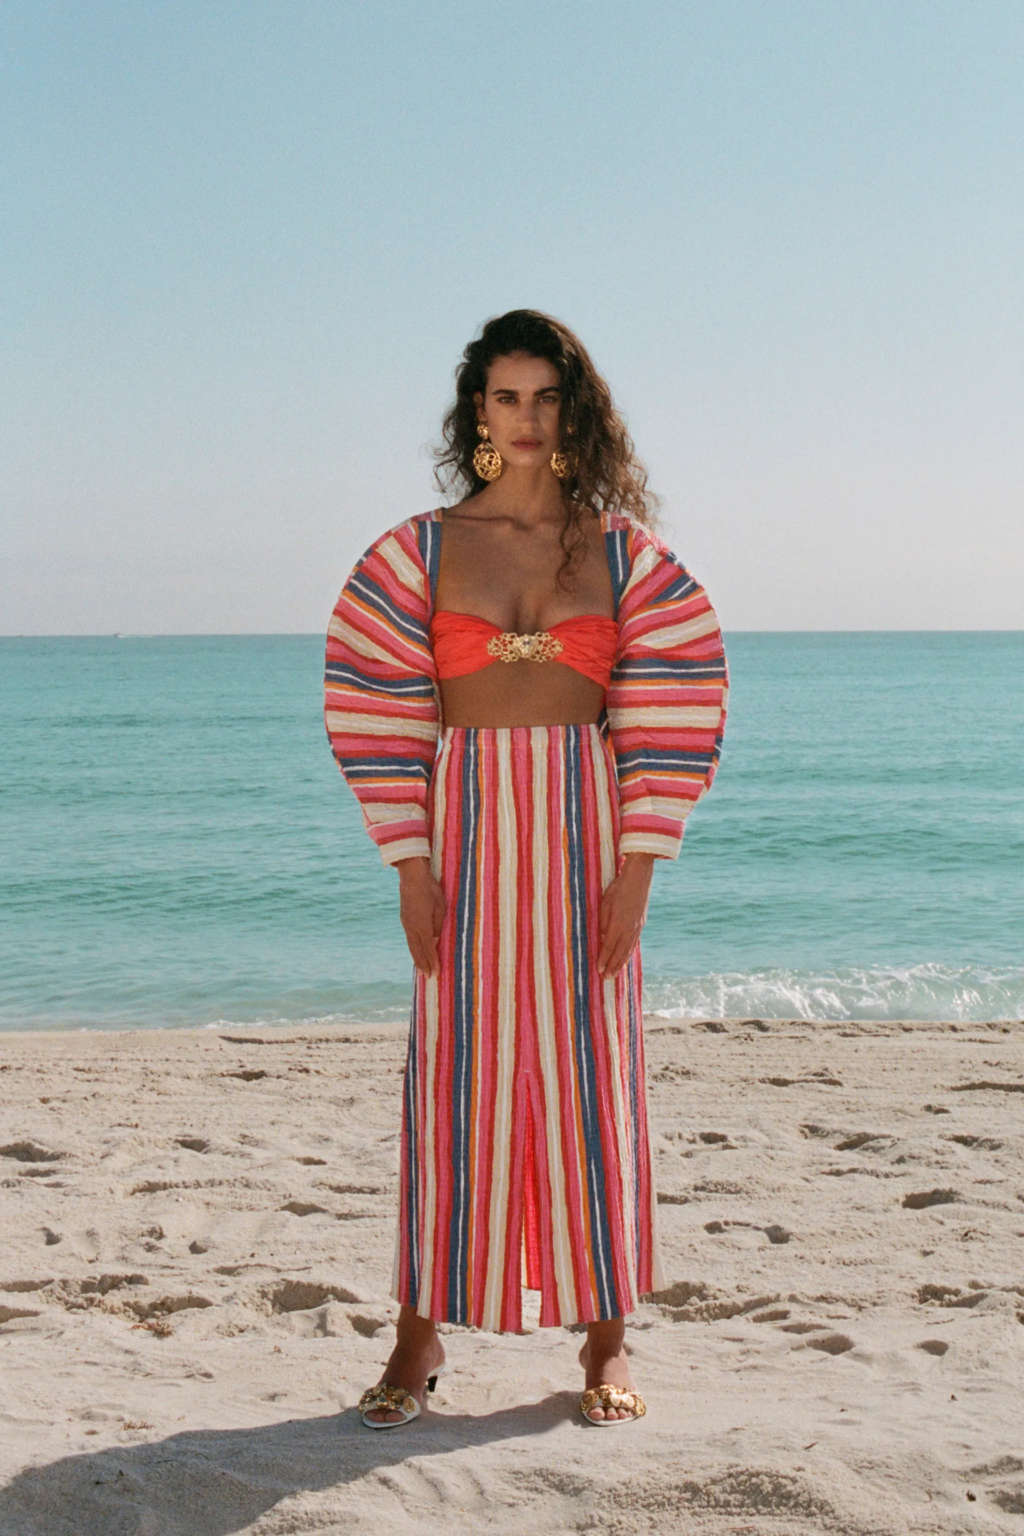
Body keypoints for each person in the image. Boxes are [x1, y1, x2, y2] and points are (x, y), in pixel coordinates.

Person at [324, 309, 727, 1428]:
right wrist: (407, 862)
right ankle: (418, 1337)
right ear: (477, 414)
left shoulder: (622, 552)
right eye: (506, 398)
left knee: (596, 1080)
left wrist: (641, 864)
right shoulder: (417, 550)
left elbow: (674, 707)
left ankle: (606, 1341)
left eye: (547, 397)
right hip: (464, 831)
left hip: (586, 831)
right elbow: (375, 708)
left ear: (574, 410)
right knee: (451, 1081)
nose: (528, 418)